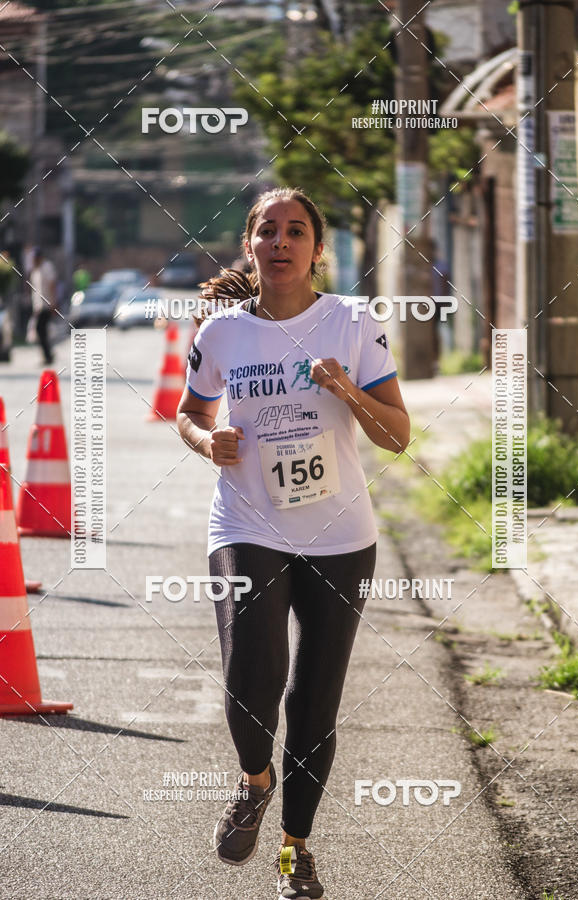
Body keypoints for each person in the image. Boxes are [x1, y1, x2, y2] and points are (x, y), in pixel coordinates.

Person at [176, 187, 410, 899]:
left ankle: (294, 853)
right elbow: (189, 412)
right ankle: (254, 781)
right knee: (251, 677)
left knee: (313, 704)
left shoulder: (350, 322)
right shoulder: (220, 334)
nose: (281, 242)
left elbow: (397, 435)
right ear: (249, 244)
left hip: (340, 533)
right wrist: (203, 438)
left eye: (296, 231)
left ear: (317, 247)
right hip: (246, 520)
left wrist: (348, 391)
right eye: (268, 231)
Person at [30, 247, 57, 365]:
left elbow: (52, 284)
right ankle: (48, 354)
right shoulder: (35, 270)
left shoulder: (47, 267)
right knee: (41, 330)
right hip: (39, 305)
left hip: (46, 304)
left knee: (40, 330)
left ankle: (48, 355)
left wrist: (53, 302)